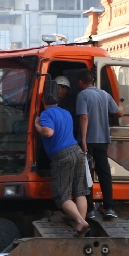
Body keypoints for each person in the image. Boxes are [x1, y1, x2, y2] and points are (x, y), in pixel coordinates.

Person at [34, 88, 90, 235]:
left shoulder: (46, 114)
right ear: (57, 101)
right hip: (77, 151)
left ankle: (80, 221)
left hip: (63, 155)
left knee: (62, 194)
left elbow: (49, 132)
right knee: (79, 191)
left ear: (43, 101)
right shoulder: (66, 113)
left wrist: (37, 125)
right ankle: (80, 226)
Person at [75, 69, 122, 219]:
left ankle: (89, 210)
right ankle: (109, 207)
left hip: (88, 141)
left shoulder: (82, 95)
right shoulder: (104, 94)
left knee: (86, 174)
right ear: (93, 81)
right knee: (104, 173)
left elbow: (83, 117)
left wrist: (83, 140)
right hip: (102, 140)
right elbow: (119, 112)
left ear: (80, 82)